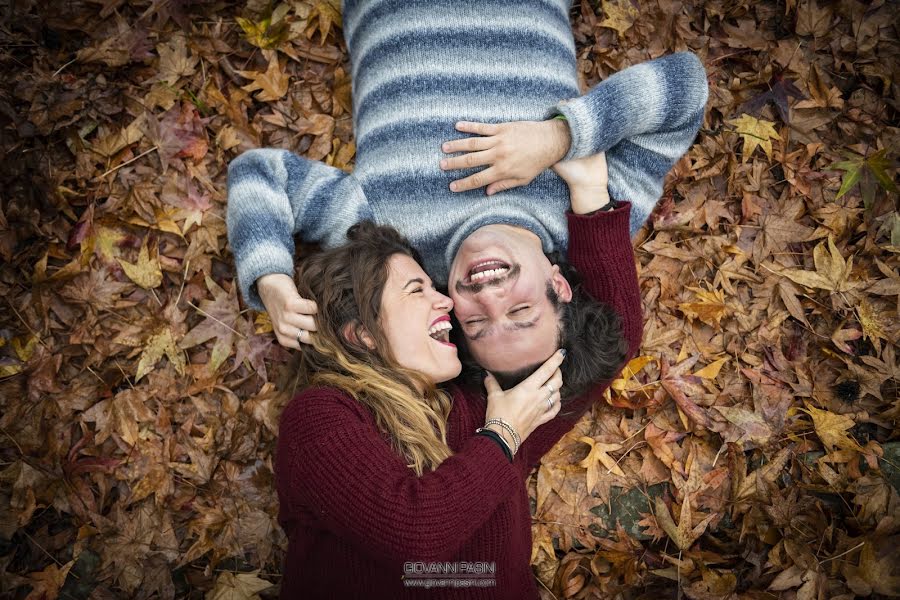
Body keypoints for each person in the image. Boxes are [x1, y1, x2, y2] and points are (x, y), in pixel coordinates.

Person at [226, 0, 708, 394]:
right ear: (559, 287)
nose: (489, 298)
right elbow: (686, 87)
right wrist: (558, 138)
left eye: (476, 325)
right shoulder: (589, 205)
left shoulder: (393, 243)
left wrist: (270, 281)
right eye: (520, 313)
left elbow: (260, 174)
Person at [275, 154, 642, 599]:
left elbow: (610, 341)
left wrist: (590, 197)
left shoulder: (484, 408)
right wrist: (504, 435)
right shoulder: (321, 418)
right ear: (364, 335)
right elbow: (415, 537)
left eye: (435, 288)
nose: (447, 302)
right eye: (418, 290)